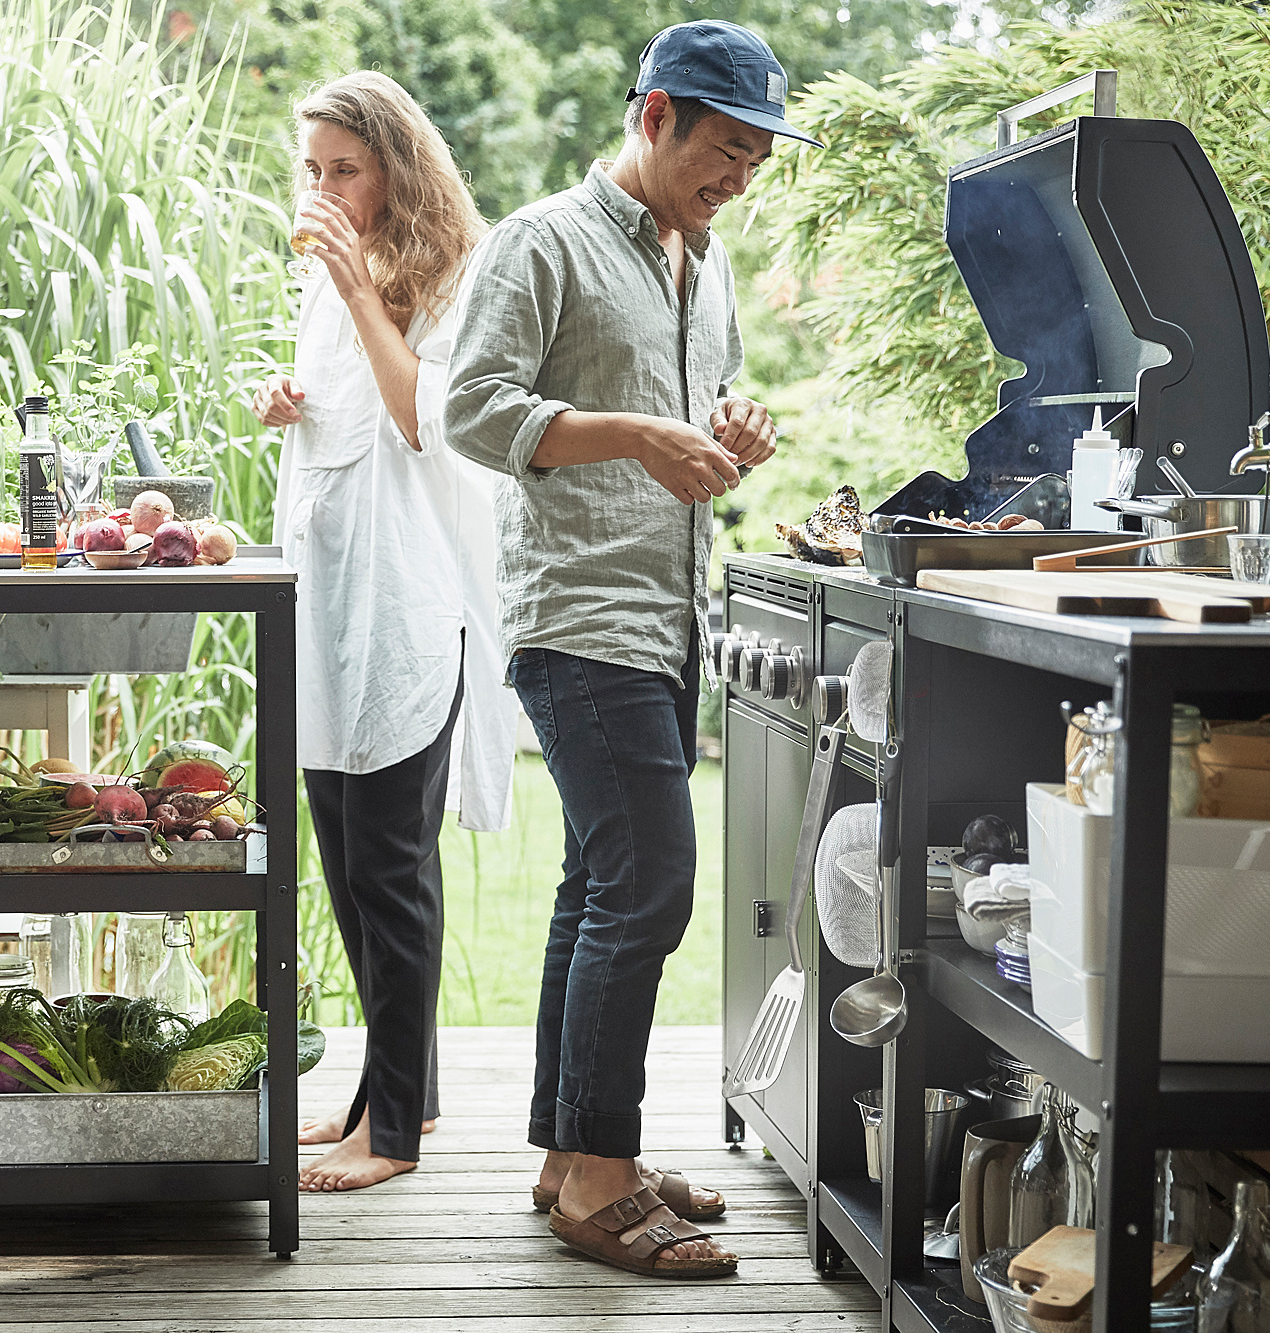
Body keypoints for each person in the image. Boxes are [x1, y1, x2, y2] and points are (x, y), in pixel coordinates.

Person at [445, 20, 814, 1277]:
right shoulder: (539, 242)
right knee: (650, 883)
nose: (736, 178)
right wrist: (637, 438)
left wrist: (725, 430)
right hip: (578, 614)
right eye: (722, 151)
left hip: (665, 618)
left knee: (596, 888)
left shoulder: (698, 262)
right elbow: (472, 409)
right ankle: (601, 1180)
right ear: (652, 116)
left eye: (756, 160)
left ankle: (567, 1152)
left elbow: (685, 420)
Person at [252, 71, 517, 1193]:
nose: (321, 190)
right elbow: (351, 409)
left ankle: (393, 1132)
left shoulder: (455, 278)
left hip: (409, 614)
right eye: (309, 171)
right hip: (332, 613)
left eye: (342, 170)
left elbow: (421, 418)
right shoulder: (327, 285)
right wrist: (291, 398)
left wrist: (359, 290)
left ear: (394, 170)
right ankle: (390, 1092)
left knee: (390, 870)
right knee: (349, 863)